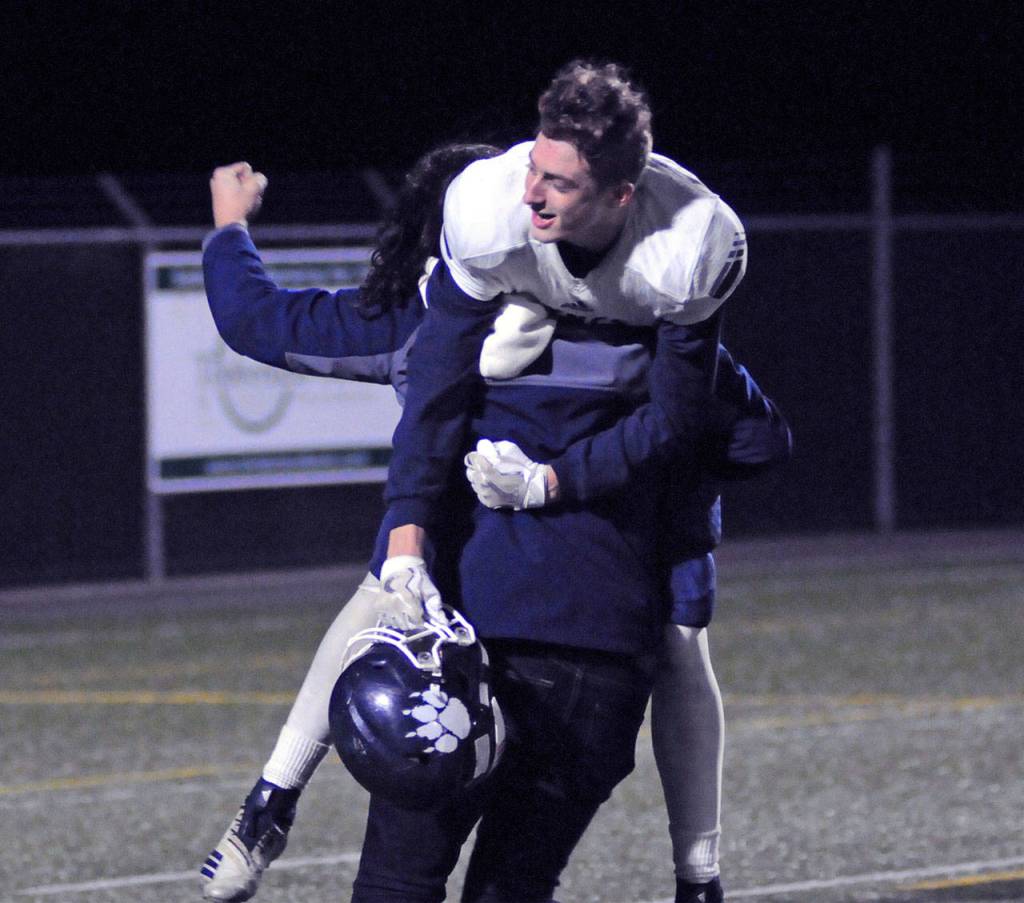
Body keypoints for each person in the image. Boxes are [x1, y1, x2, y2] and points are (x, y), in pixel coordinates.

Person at [199, 140, 787, 902]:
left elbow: (258, 320)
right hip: (606, 652)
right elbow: (759, 438)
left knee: (395, 880)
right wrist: (653, 484)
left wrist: (228, 229)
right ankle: (698, 869)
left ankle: (270, 799)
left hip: (467, 643)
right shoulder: (655, 330)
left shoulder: (437, 322)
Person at [374, 59, 753, 901]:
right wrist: (404, 538)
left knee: (757, 441)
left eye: (561, 184)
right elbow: (435, 388)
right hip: (509, 360)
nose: (533, 195)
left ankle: (699, 862)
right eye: (534, 170)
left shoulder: (689, 243)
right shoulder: (487, 206)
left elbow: (675, 420)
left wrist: (553, 482)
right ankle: (272, 793)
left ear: (622, 193)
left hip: (631, 420)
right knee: (389, 579)